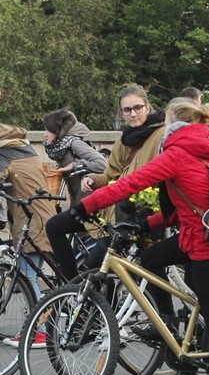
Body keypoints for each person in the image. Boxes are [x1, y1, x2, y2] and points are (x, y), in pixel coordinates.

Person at [72, 98, 209, 375]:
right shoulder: (206, 147)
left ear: (173, 122)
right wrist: (147, 223)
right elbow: (184, 204)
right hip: (195, 236)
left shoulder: (179, 152)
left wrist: (86, 205)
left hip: (208, 245)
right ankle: (168, 329)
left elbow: (130, 183)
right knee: (150, 260)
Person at [46, 83, 165, 281]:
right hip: (111, 213)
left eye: (138, 108)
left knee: (98, 270)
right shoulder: (125, 139)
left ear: (148, 107)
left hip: (136, 216)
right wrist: (92, 178)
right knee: (55, 226)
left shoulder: (160, 135)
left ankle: (88, 299)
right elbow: (110, 175)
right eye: (127, 110)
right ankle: (72, 287)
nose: (133, 114)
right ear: (121, 112)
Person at [0, 123, 56, 347]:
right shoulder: (27, 147)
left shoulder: (1, 152)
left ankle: (39, 331)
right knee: (31, 271)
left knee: (27, 275)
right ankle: (40, 324)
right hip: (42, 212)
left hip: (29, 218)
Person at [42, 108, 107, 205]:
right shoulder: (62, 145)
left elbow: (102, 164)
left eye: (48, 130)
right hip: (77, 197)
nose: (45, 135)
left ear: (57, 130)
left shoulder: (74, 143)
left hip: (88, 197)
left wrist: (74, 165)